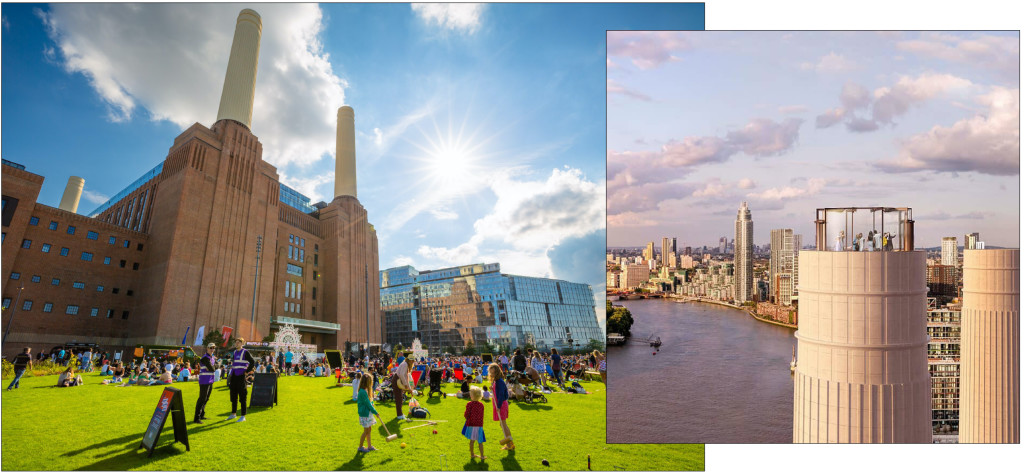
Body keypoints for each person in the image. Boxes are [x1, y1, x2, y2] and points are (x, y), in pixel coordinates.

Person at [226, 339, 255, 422]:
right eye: (236, 342)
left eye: (238, 342)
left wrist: (246, 371)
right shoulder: (234, 352)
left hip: (241, 375)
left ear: (242, 344)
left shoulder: (245, 352)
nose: (237, 343)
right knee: (233, 395)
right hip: (234, 375)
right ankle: (233, 414)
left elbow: (252, 362)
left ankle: (243, 416)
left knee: (242, 395)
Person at [488, 363, 514, 450]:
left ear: (497, 372)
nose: (492, 375)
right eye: (491, 373)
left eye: (493, 373)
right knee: (502, 424)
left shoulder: (499, 382)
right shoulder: (496, 381)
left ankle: (510, 445)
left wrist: (498, 406)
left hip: (501, 404)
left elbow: (501, 395)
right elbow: (498, 392)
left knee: (503, 424)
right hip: (500, 404)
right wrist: (492, 389)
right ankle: (510, 443)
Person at [194, 343, 216, 424]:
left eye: (214, 348)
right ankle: (196, 418)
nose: (212, 349)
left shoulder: (212, 358)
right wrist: (213, 367)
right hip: (204, 381)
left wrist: (213, 367)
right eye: (211, 348)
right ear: (207, 348)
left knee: (206, 399)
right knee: (202, 399)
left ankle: (202, 415)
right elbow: (212, 368)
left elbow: (213, 368)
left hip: (210, 380)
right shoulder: (205, 358)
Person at [462, 386, 487, 460]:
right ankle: (482, 456)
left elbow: (466, 414)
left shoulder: (469, 404)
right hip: (479, 425)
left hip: (471, 425)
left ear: (472, 396)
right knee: (480, 441)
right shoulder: (481, 405)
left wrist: (466, 417)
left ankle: (472, 454)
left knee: (472, 441)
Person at [356, 373, 379, 453]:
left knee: (369, 429)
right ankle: (360, 447)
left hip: (367, 413)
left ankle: (369, 446)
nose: (371, 384)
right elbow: (368, 404)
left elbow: (369, 403)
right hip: (364, 414)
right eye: (370, 382)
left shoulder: (365, 390)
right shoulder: (362, 392)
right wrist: (375, 412)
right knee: (366, 431)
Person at [390, 355, 412, 420]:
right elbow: (402, 375)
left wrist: (409, 388)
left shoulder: (405, 364)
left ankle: (400, 414)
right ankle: (399, 415)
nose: (412, 362)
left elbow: (406, 377)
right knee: (398, 398)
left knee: (400, 397)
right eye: (412, 360)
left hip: (398, 380)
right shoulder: (405, 364)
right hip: (397, 380)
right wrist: (405, 385)